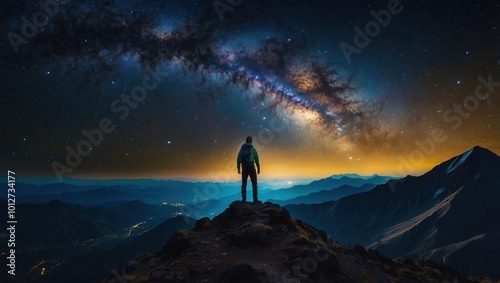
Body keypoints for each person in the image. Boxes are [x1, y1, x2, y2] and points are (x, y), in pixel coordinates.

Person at [237, 136, 260, 203]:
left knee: (244, 184)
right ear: (251, 141)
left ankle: (244, 199)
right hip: (251, 167)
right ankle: (255, 199)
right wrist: (258, 168)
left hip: (244, 167)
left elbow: (238, 159)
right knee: (254, 184)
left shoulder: (241, 149)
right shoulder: (253, 149)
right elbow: (257, 159)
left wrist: (238, 168)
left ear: (246, 141)